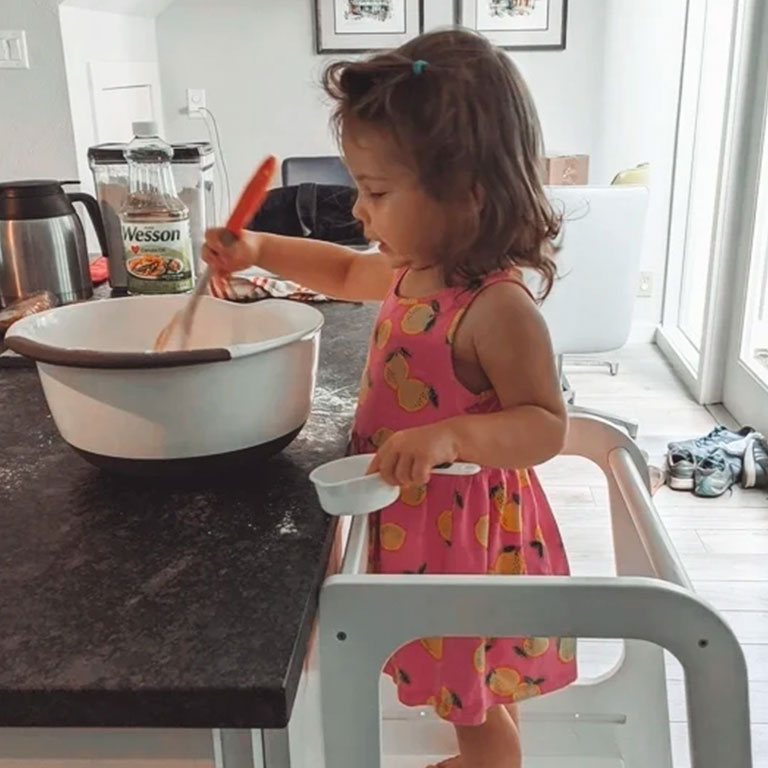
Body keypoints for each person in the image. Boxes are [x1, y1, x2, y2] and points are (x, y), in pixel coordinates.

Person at [204, 27, 576, 768]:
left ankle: (491, 763)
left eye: (375, 192)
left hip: (466, 528)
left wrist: (452, 438)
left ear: (467, 194)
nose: (360, 212)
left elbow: (543, 426)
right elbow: (342, 273)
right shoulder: (411, 268)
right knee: (449, 666)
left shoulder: (497, 308)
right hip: (415, 514)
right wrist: (259, 250)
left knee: (469, 681)